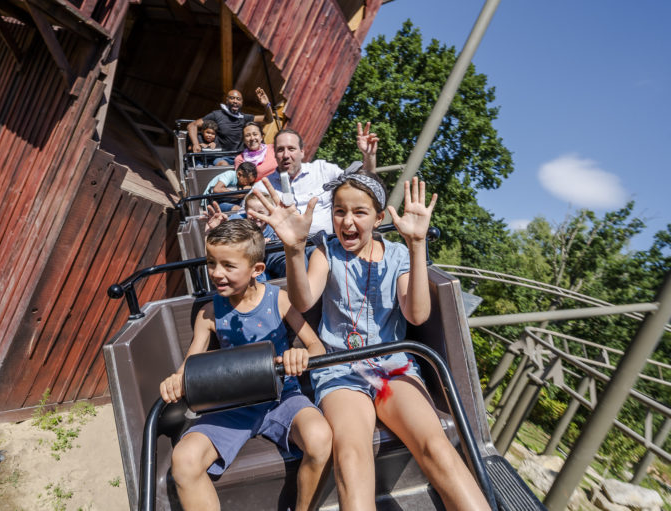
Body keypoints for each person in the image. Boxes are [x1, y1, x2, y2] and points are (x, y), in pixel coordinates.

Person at [249, 174, 491, 510]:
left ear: (378, 219)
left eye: (359, 213)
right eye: (339, 211)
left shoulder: (397, 256)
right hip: (339, 369)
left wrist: (417, 245)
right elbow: (303, 301)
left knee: (435, 447)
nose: (347, 221)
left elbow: (417, 314)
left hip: (391, 367)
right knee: (350, 455)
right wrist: (294, 248)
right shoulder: (326, 250)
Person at [160, 219, 332, 511]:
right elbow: (190, 363)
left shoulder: (279, 301)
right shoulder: (210, 313)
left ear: (257, 270)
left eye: (228, 266)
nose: (216, 273)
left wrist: (299, 355)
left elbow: (315, 346)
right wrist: (176, 379)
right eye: (211, 263)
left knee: (320, 438)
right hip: (233, 405)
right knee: (184, 461)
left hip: (283, 398)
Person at [254, 122, 378, 236]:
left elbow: (364, 184)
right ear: (275, 154)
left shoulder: (322, 170)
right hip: (281, 248)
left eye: (291, 149)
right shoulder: (263, 186)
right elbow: (243, 216)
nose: (286, 155)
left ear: (302, 152)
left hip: (323, 245)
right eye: (280, 150)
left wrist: (369, 156)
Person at [188, 88, 274, 166]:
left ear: (242, 102)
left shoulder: (244, 118)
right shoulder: (217, 115)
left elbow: (268, 120)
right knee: (224, 166)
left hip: (241, 156)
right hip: (222, 157)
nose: (235, 101)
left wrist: (266, 105)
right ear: (227, 100)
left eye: (238, 99)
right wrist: (195, 144)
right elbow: (192, 125)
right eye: (232, 98)